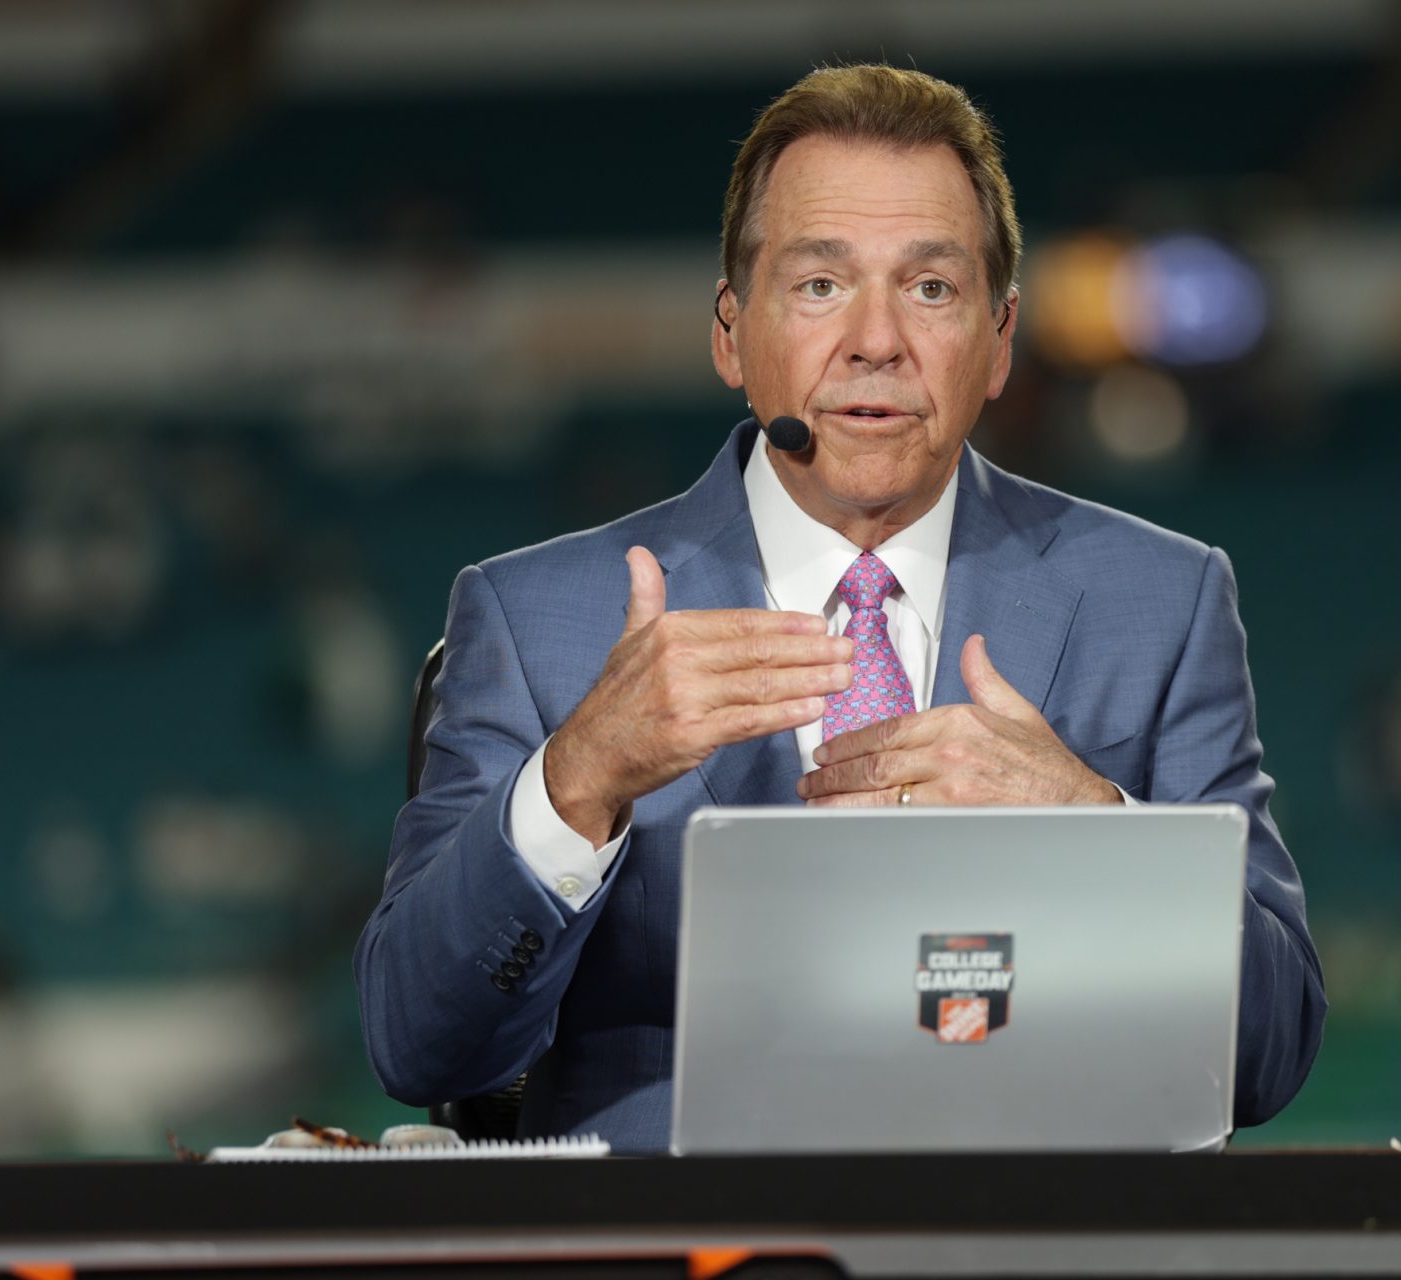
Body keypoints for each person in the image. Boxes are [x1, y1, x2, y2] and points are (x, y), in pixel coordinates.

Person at [356, 64, 1325, 1153]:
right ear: (731, 333)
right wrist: (580, 776)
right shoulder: (538, 618)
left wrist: (1100, 833)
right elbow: (418, 1044)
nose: (874, 339)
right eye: (820, 285)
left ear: (1000, 340)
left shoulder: (1163, 597)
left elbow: (1271, 1053)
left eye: (930, 289)